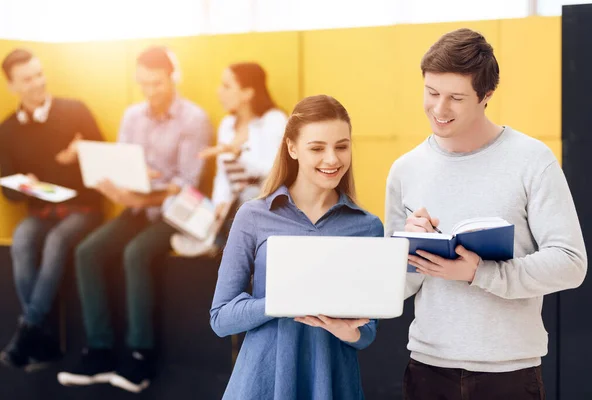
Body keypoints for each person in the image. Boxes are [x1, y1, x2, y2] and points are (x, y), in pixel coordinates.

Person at [384, 28, 587, 400]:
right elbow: (395, 288)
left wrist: (480, 273)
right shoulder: (405, 169)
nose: (439, 109)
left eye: (455, 98)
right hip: (428, 367)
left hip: (509, 370)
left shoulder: (531, 160)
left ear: (486, 95)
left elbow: (571, 263)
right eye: (431, 93)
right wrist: (408, 252)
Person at [57, 46, 213, 393]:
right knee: (87, 251)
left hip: (176, 213)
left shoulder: (194, 119)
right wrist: (119, 187)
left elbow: (186, 185)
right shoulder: (132, 116)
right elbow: (123, 162)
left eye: (157, 83)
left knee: (136, 253)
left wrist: (146, 189)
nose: (150, 92)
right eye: (143, 84)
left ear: (173, 78)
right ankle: (99, 350)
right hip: (136, 207)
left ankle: (141, 355)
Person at [210, 94, 384, 400]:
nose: (332, 159)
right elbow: (222, 318)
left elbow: (367, 330)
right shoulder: (253, 216)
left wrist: (351, 332)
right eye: (317, 148)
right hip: (262, 383)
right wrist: (279, 302)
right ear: (292, 148)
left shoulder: (368, 226)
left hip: (333, 382)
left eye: (341, 146)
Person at [0, 49, 104, 370]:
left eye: (39, 74)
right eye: (27, 79)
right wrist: (24, 185)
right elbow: (6, 187)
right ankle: (40, 336)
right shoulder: (7, 129)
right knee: (22, 240)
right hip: (41, 212)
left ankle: (28, 330)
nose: (37, 83)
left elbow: (105, 164)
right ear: (11, 85)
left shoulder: (75, 111)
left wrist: (81, 155)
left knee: (58, 241)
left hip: (83, 209)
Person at [171, 62, 287, 256]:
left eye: (226, 86)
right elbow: (222, 177)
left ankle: (213, 240)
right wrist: (219, 203)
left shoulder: (273, 120)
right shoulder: (227, 124)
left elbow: (272, 172)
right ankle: (210, 235)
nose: (219, 92)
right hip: (234, 202)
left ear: (247, 93)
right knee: (177, 200)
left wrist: (238, 153)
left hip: (264, 197)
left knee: (248, 194)